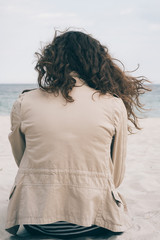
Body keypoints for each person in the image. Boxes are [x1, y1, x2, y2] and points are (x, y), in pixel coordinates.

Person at [5, 30, 150, 238]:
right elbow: (115, 176)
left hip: (36, 221)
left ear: (51, 61)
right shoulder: (113, 104)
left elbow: (23, 160)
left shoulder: (24, 102)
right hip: (92, 221)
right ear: (98, 62)